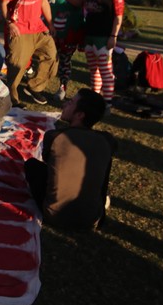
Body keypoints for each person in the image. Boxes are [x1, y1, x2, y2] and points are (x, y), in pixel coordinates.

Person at [23, 88, 117, 230]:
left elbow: (49, 165)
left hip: (55, 215)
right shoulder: (107, 141)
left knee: (32, 165)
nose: (65, 104)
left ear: (79, 115)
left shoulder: (54, 137)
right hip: (92, 219)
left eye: (71, 102)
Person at [0, 0, 57, 106]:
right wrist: (9, 23)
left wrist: (50, 23)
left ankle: (35, 86)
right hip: (20, 29)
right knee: (17, 66)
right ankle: (12, 99)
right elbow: (4, 3)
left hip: (39, 28)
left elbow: (44, 1)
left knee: (52, 56)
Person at [82, 0, 125, 108]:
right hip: (90, 35)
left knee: (105, 70)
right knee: (93, 69)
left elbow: (118, 16)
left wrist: (113, 36)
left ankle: (107, 102)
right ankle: (95, 97)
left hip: (104, 36)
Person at [50, 0, 89, 101]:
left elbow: (79, 2)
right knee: (50, 57)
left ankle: (62, 87)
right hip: (54, 29)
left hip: (70, 31)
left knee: (65, 59)